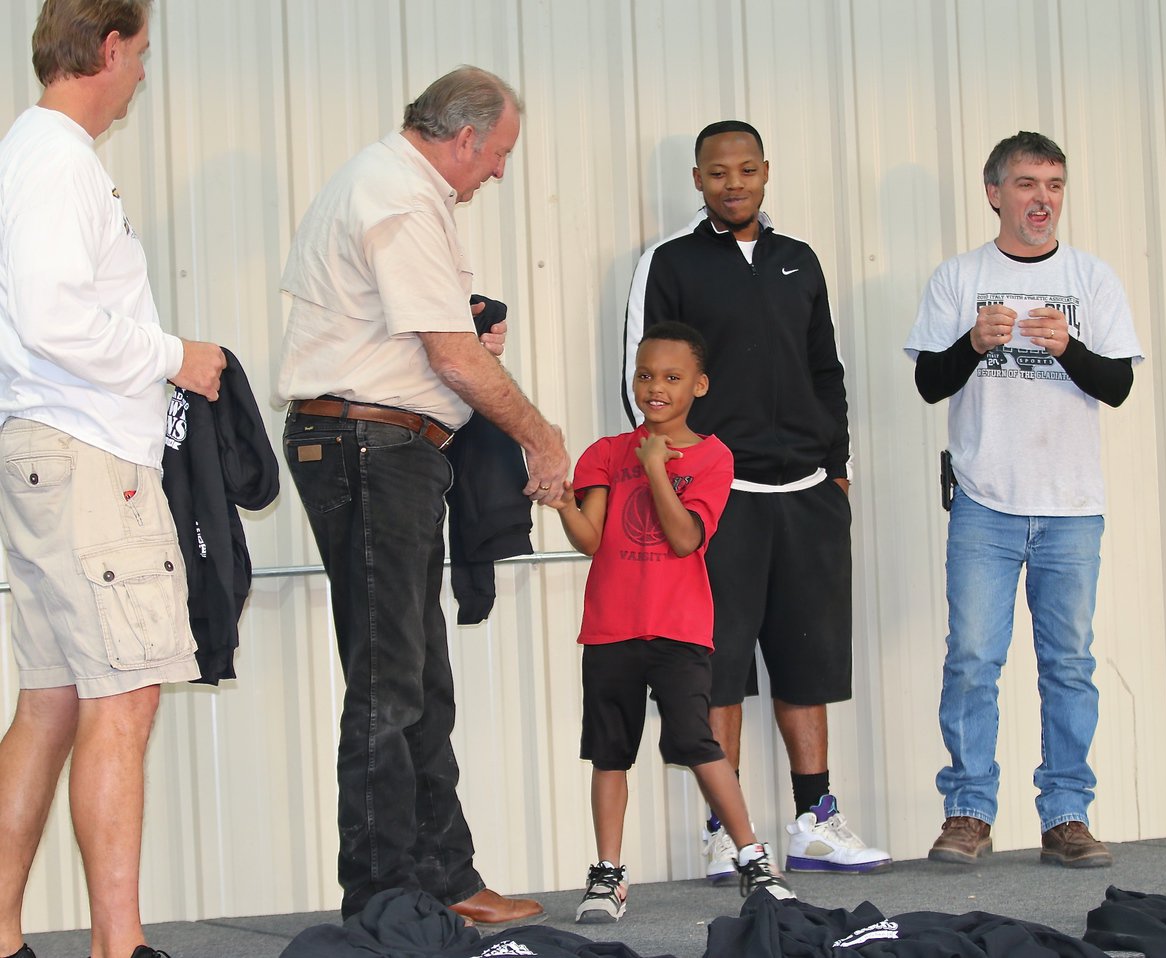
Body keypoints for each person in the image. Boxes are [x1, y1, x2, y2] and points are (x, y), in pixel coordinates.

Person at [276, 66, 569, 924]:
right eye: (501, 153)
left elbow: (424, 335)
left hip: (382, 443)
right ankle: (381, 898)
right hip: (370, 445)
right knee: (390, 682)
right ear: (466, 136)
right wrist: (540, 437)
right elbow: (449, 357)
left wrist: (464, 323)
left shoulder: (399, 191)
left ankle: (444, 880)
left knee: (419, 677)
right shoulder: (400, 198)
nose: (501, 172)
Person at [0, 2, 228, 957]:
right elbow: (54, 317)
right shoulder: (57, 161)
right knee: (126, 696)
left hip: (51, 451)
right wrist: (179, 353)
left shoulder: (32, 153)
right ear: (106, 49)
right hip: (89, 459)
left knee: (54, 698)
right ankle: (119, 947)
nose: (141, 75)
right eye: (139, 56)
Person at [624, 121, 890, 880]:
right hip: (721, 498)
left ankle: (815, 822)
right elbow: (644, 381)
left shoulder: (798, 261)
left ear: (766, 173)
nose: (732, 183)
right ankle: (726, 832)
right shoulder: (670, 264)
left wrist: (835, 466)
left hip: (806, 493)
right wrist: (678, 478)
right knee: (721, 667)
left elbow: (826, 369)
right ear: (699, 181)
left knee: (808, 662)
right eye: (717, 172)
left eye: (745, 169)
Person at [905, 131, 1142, 868]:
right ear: (994, 192)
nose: (1043, 199)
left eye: (1055, 184)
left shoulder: (1094, 278)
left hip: (1072, 506)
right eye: (1028, 183)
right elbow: (928, 384)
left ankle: (1066, 814)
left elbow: (1120, 386)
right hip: (985, 503)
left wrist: (1069, 347)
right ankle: (968, 811)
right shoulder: (958, 277)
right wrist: (973, 343)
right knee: (973, 659)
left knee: (1068, 662)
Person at [546, 322, 793, 923]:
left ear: (699, 385)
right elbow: (591, 539)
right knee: (610, 752)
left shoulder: (713, 456)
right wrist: (560, 504)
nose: (655, 388)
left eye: (671, 378)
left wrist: (655, 466)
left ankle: (754, 860)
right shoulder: (605, 451)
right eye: (645, 376)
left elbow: (686, 539)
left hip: (679, 629)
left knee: (697, 741)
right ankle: (607, 876)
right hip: (610, 629)